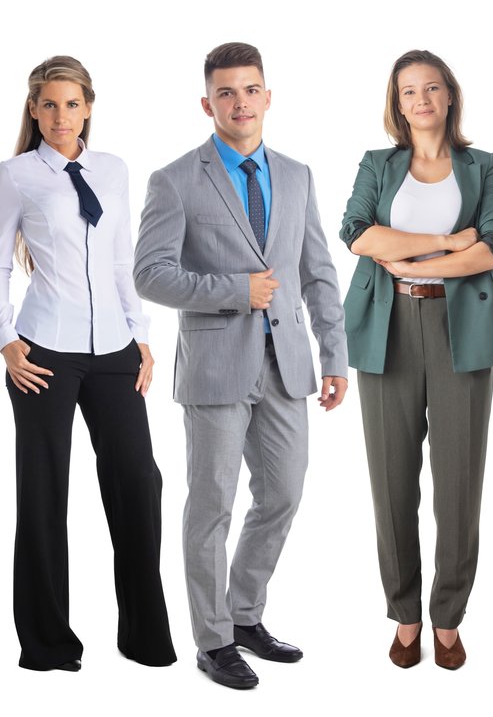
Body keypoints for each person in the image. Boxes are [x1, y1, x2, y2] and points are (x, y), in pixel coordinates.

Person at [133, 42, 349, 690]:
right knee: (213, 503)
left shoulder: (296, 173)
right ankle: (213, 636)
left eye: (250, 89)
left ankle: (245, 613)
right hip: (216, 367)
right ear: (208, 103)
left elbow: (317, 271)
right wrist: (234, 288)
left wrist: (334, 353)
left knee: (282, 493)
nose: (240, 102)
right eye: (226, 92)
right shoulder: (174, 179)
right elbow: (150, 273)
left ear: (268, 96)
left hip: (286, 363)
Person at [338, 49, 493, 671]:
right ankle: (405, 613)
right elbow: (357, 232)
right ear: (397, 101)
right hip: (385, 327)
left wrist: (418, 264)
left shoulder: (481, 165)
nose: (421, 99)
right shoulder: (378, 165)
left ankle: (448, 615)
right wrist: (444, 241)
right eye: (409, 90)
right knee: (391, 481)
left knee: (459, 482)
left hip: (461, 327)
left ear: (449, 96)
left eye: (431, 88)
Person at [2, 55, 174, 673]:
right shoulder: (16, 175)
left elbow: (120, 258)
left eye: (72, 104)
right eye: (48, 105)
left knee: (138, 480)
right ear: (33, 110)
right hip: (42, 352)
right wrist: (5, 341)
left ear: (89, 107)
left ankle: (145, 636)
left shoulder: (112, 169)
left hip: (113, 353)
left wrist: (140, 333)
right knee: (43, 492)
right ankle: (47, 645)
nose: (61, 117)